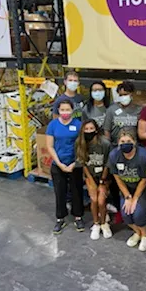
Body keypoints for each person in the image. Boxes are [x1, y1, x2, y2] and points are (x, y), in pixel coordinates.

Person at [108, 128, 146, 251]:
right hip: (126, 188)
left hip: (143, 188)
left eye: (128, 140)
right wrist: (128, 196)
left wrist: (135, 198)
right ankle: (138, 232)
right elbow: (117, 178)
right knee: (126, 214)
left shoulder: (143, 155)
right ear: (118, 143)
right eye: (122, 141)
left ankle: (145, 235)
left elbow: (145, 179)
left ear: (134, 142)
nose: (125, 143)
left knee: (138, 213)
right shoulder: (114, 155)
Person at [46, 99, 85, 234]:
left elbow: (82, 146)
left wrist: (75, 163)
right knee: (60, 191)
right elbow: (50, 146)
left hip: (75, 164)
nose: (65, 112)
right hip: (58, 164)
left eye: (67, 110)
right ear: (58, 111)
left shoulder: (78, 125)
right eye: (62, 110)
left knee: (76, 191)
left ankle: (78, 216)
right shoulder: (53, 125)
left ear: (72, 110)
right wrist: (59, 163)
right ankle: (60, 218)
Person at [76, 119, 113, 240]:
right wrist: (90, 180)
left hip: (103, 176)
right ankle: (96, 223)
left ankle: (104, 223)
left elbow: (108, 163)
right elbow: (83, 163)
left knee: (102, 201)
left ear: (96, 129)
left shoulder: (105, 143)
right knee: (94, 199)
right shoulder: (80, 143)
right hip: (90, 176)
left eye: (91, 128)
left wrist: (102, 181)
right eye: (86, 129)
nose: (88, 131)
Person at [104, 81, 142, 146]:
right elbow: (107, 130)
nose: (123, 97)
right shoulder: (111, 109)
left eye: (125, 94)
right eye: (121, 95)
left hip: (134, 145)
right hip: (116, 145)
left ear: (132, 94)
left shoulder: (139, 109)